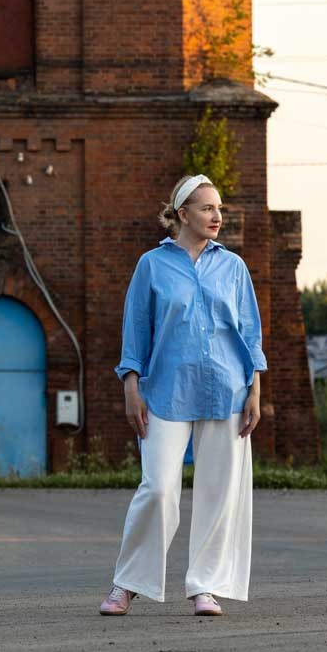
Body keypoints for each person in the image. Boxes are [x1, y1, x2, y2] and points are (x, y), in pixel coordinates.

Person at [99, 173, 266, 618]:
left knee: (218, 492)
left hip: (227, 390)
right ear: (182, 213)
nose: (217, 216)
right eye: (208, 208)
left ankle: (205, 586)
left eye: (219, 209)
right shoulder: (151, 265)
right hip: (165, 391)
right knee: (157, 488)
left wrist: (255, 387)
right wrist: (130, 385)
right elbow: (135, 329)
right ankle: (128, 583)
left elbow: (250, 331)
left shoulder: (233, 267)